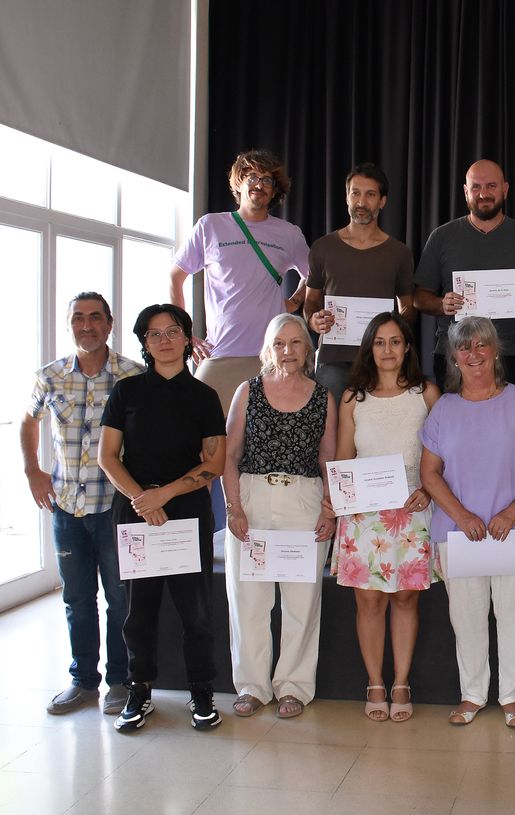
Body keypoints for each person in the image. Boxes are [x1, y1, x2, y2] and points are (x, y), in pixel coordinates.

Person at [97, 304, 226, 732]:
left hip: (186, 511)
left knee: (197, 611)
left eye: (173, 331)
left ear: (188, 339)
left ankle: (202, 693)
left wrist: (165, 494)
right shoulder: (126, 392)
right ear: (144, 343)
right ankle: (139, 690)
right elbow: (107, 457)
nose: (165, 340)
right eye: (154, 334)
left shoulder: (204, 396)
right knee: (138, 611)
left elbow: (216, 461)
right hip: (135, 513)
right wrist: (142, 499)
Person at [419, 317, 515, 728]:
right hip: (460, 535)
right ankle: (472, 694)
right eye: (464, 348)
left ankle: (512, 695)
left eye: (481, 346)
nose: (473, 355)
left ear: (495, 351)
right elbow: (429, 474)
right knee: (467, 618)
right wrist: (461, 516)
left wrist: (513, 510)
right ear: (454, 358)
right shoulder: (444, 408)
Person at [23, 292, 142, 716]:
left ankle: (121, 681)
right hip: (67, 508)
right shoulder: (50, 375)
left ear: (110, 324)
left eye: (95, 318)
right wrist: (33, 470)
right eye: (78, 318)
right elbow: (28, 421)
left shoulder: (133, 375)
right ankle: (82, 681)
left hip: (115, 507)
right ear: (69, 324)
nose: (86, 325)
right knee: (76, 597)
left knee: (120, 598)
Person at [222, 314, 337, 719]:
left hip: (303, 500)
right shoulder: (247, 391)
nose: (287, 351)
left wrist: (330, 508)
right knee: (249, 600)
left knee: (302, 600)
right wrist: (234, 507)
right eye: (279, 343)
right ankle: (252, 685)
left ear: (308, 349)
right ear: (267, 349)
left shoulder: (324, 397)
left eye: (295, 343)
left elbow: (328, 459)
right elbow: (230, 456)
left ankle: (294, 686)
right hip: (252, 497)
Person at [330, 312, 440, 722]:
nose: (388, 350)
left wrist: (428, 489)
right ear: (369, 348)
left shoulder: (426, 392)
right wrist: (341, 499)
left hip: (413, 509)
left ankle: (402, 682)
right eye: (380, 342)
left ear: (407, 347)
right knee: (370, 602)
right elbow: (343, 457)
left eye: (395, 341)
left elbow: (441, 454)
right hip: (363, 515)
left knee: (406, 598)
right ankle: (376, 681)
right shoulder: (352, 397)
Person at [169, 149, 309, 415]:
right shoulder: (210, 226)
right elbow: (175, 277)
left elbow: (313, 277)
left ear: (275, 191)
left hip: (271, 360)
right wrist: (184, 333)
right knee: (208, 444)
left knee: (269, 449)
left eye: (268, 180)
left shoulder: (289, 234)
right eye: (252, 177)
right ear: (239, 182)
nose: (259, 184)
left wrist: (293, 303)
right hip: (220, 356)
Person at [413, 160, 515, 393]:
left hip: (510, 353)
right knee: (458, 428)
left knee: (511, 428)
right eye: (476, 187)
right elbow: (419, 297)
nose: (484, 194)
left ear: (505, 189)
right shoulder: (442, 237)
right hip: (456, 355)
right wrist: (441, 304)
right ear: (466, 191)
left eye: (491, 186)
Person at [304, 163, 416, 403]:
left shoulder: (399, 253)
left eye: (370, 194)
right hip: (333, 360)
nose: (361, 202)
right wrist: (314, 321)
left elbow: (408, 308)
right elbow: (310, 302)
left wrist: (394, 329)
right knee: (331, 435)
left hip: (381, 362)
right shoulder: (323, 248)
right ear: (347, 197)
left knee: (377, 437)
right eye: (355, 193)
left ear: (382, 201)